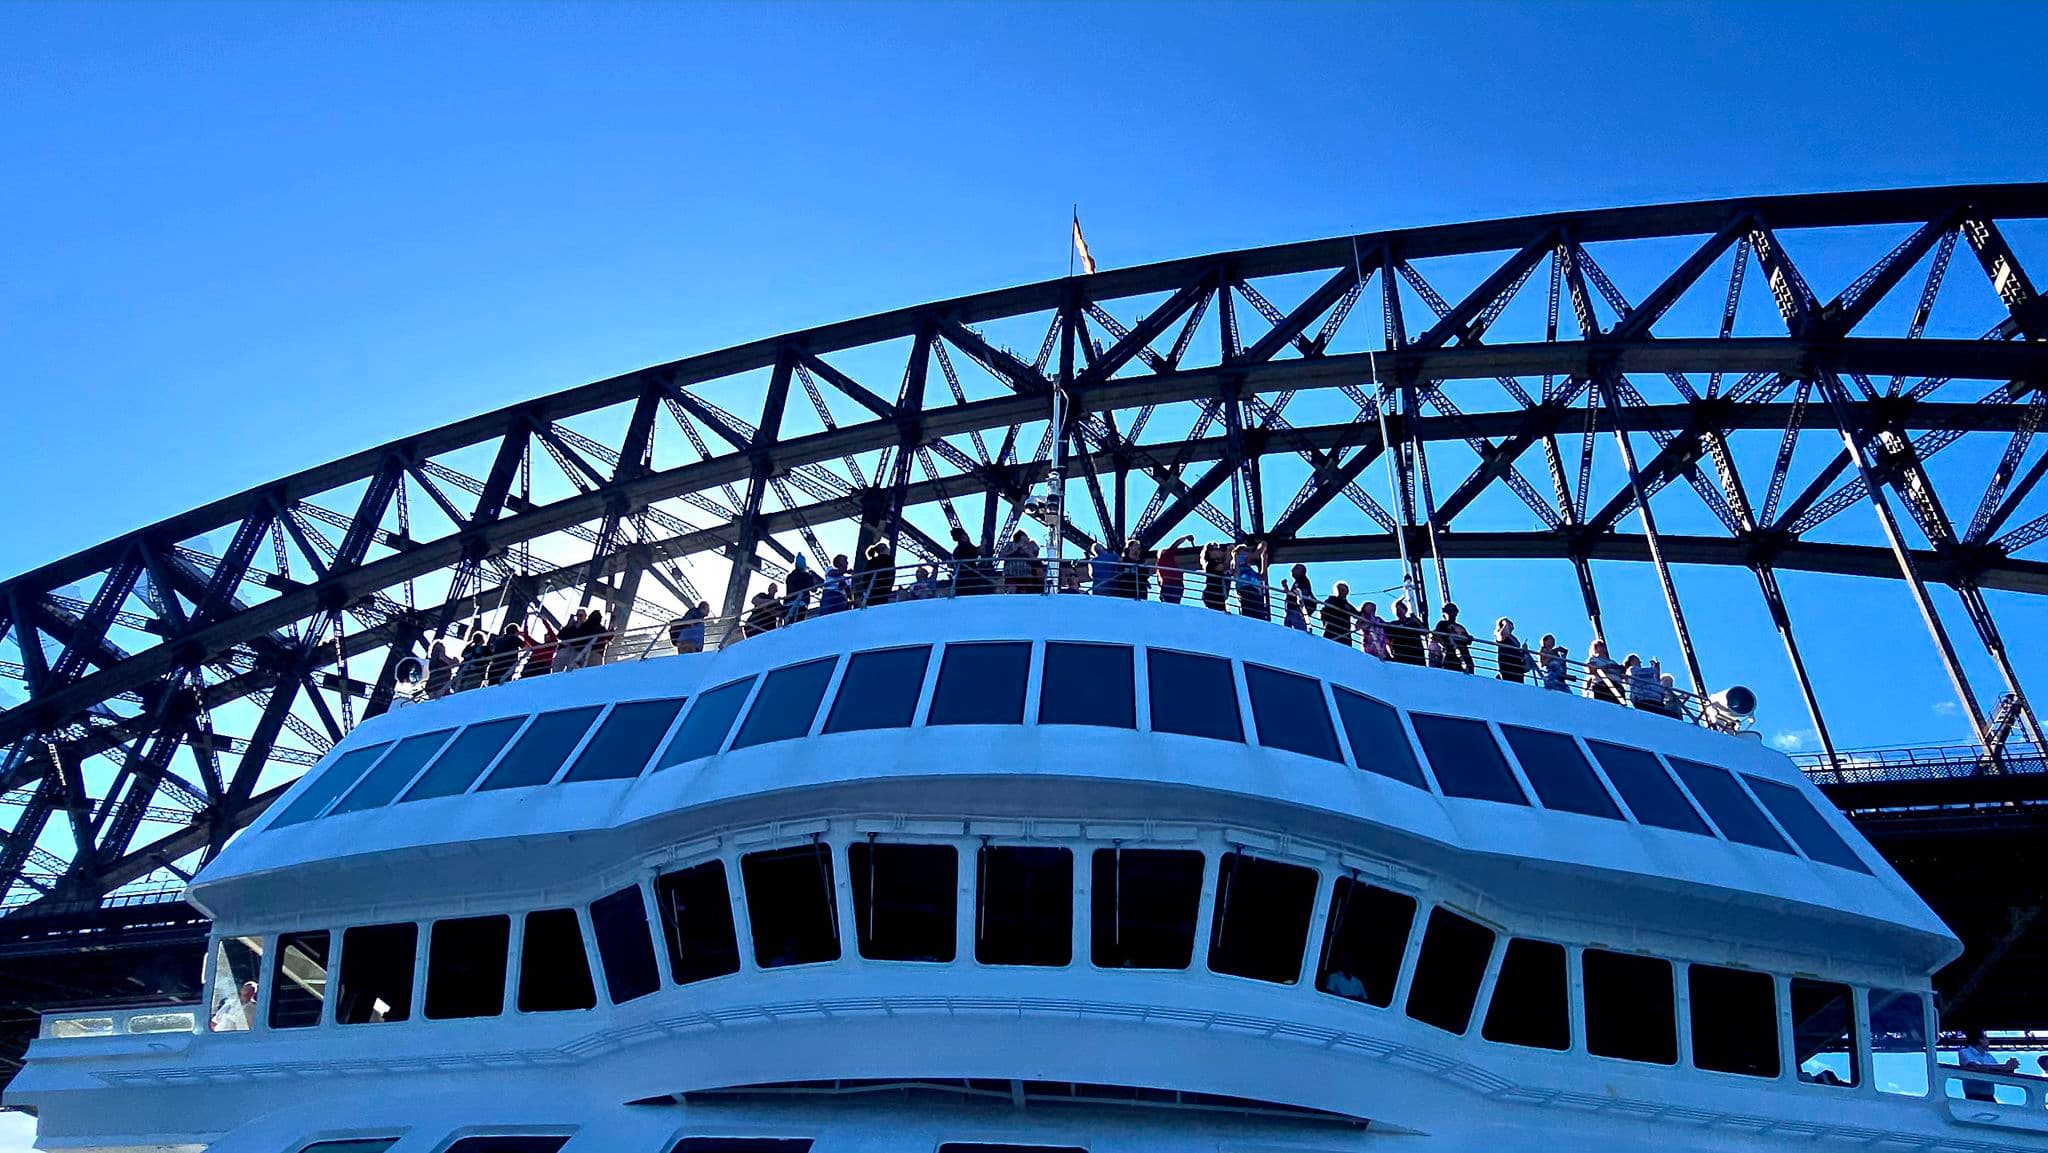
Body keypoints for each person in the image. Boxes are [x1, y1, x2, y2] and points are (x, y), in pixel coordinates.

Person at [1957, 1028, 2018, 1101]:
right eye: (1986, 1038)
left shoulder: (1988, 1056)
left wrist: (2010, 1068)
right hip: (1973, 1096)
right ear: (1980, 1040)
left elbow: (1999, 1070)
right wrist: (2004, 1067)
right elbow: (1976, 1067)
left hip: (1989, 1096)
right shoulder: (1965, 1052)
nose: (1988, 1041)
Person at [1234, 541, 1270, 621]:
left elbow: (1262, 577)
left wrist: (1264, 559)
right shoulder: (1239, 563)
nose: (1247, 553)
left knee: (1258, 615)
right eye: (1245, 551)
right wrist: (1261, 550)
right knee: (1250, 613)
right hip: (1246, 590)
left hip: (1256, 592)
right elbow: (1256, 554)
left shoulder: (1250, 570)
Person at [1433, 603, 1473, 673]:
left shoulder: (1460, 627)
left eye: (1453, 611)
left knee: (1468, 667)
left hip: (1463, 651)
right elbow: (1437, 635)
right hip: (1450, 650)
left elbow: (1468, 641)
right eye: (1449, 611)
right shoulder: (1442, 624)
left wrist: (1469, 638)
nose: (1451, 614)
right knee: (1450, 667)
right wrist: (1445, 645)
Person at [950, 526, 990, 595]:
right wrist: (984, 544)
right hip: (969, 577)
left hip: (961, 578)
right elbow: (977, 552)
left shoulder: (957, 550)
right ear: (963, 536)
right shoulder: (965, 546)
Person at [1157, 534, 1195, 605]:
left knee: (1168, 605)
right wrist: (1185, 537)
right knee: (1175, 604)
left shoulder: (1159, 564)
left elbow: (1159, 581)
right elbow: (1175, 545)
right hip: (1174, 584)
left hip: (1166, 585)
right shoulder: (1167, 556)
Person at [1388, 598, 1428, 666]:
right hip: (1400, 653)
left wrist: (1416, 621)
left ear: (1404, 610)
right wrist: (1390, 652)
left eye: (1399, 609)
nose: (1398, 612)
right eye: (1396, 610)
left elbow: (1425, 632)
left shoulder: (1412, 621)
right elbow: (1389, 639)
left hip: (1416, 652)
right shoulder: (1393, 624)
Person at [1585, 640, 1625, 704]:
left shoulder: (1613, 661)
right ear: (1595, 648)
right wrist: (1606, 668)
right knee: (1603, 703)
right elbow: (1591, 670)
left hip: (1617, 685)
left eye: (1602, 645)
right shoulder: (1593, 659)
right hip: (1602, 684)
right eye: (1599, 645)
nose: (1602, 647)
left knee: (1618, 706)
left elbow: (1623, 675)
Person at [783, 555, 821, 623]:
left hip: (787, 602)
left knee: (788, 622)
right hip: (801, 602)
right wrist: (813, 579)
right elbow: (813, 589)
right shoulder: (806, 575)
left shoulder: (789, 576)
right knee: (798, 621)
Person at [856, 541, 895, 606]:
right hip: (883, 588)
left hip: (871, 590)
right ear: (885, 549)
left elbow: (865, 577)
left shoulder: (871, 561)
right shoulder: (889, 560)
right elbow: (890, 575)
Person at [454, 624, 491, 692]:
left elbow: (463, 655)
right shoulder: (485, 649)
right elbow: (489, 660)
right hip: (477, 673)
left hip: (464, 672)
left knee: (459, 689)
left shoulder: (469, 647)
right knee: (470, 691)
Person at [1200, 542, 1232, 611]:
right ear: (1209, 553)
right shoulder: (1211, 563)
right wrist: (1228, 552)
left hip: (1220, 595)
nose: (1218, 551)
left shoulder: (1221, 562)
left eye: (1218, 549)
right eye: (1214, 549)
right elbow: (1223, 567)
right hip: (1212, 594)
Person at [1495, 618, 1528, 683]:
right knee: (1509, 681)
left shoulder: (1514, 638)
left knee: (1518, 683)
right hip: (1507, 662)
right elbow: (1503, 634)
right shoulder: (1499, 633)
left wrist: (1524, 650)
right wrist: (1504, 622)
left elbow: (1518, 651)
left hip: (1517, 665)